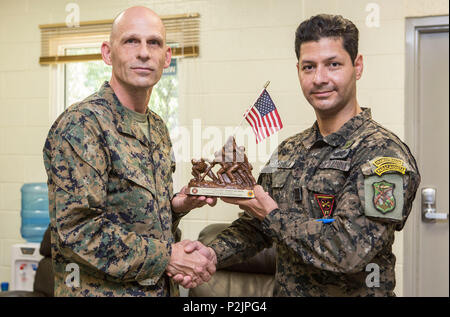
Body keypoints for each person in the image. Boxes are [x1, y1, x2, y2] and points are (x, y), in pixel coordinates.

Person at [177, 14, 420, 296]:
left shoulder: (382, 156)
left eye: (333, 64)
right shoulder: (289, 150)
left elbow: (349, 251)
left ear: (358, 66)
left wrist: (270, 213)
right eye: (309, 67)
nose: (319, 78)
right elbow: (257, 228)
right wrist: (209, 254)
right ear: (298, 71)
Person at [43, 6, 216, 297]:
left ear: (167, 56)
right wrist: (168, 257)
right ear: (108, 53)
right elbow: (77, 230)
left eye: (154, 43)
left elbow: (138, 219)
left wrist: (175, 207)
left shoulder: (157, 127)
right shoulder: (83, 124)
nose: (144, 53)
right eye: (131, 41)